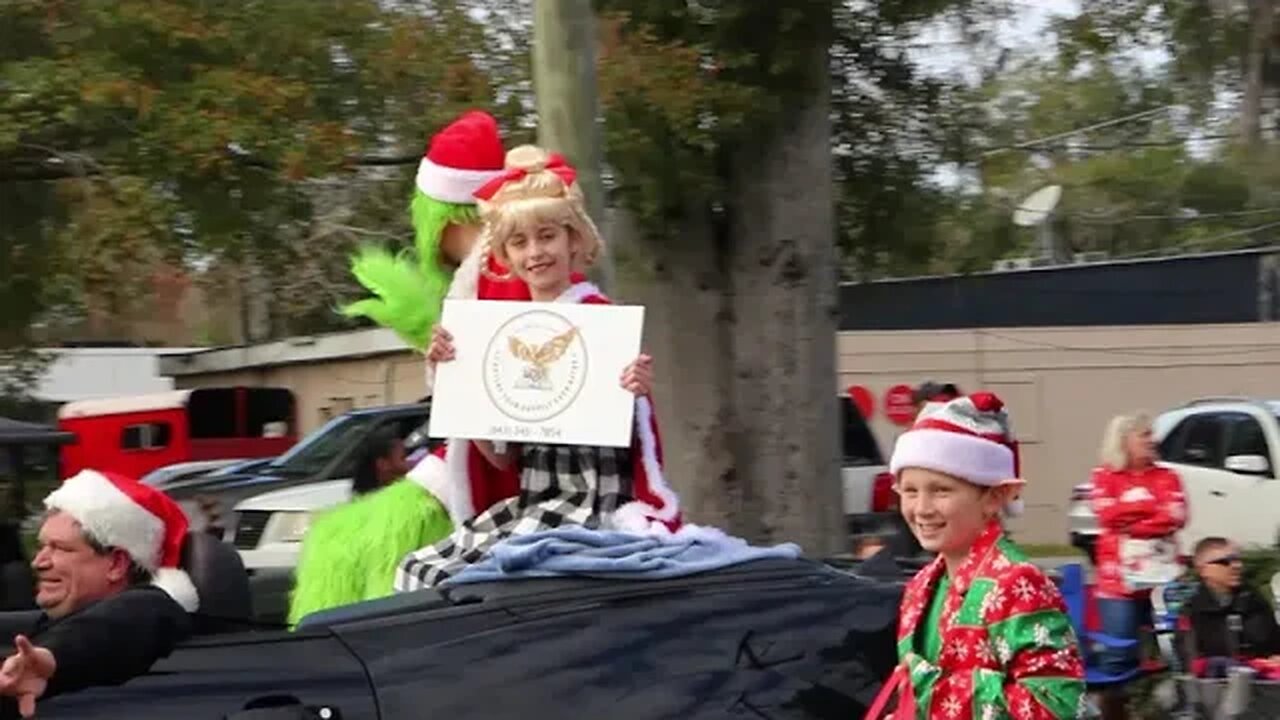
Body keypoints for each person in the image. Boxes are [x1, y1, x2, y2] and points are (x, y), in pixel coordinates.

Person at [395, 145, 681, 591]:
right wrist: (460, 386)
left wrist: (635, 394)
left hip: (595, 507)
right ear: (505, 257)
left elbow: (636, 446)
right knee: (419, 571)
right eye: (519, 242)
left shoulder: (602, 320)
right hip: (532, 503)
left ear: (573, 240)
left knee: (489, 581)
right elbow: (504, 456)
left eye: (547, 235)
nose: (535, 253)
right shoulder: (507, 334)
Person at [866, 393, 1085, 719]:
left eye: (941, 490)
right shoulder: (921, 586)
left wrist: (932, 688)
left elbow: (1057, 704)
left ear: (994, 497)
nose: (922, 508)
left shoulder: (1017, 583)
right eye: (910, 491)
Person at [0, 469, 197, 718]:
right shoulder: (53, 621)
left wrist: (50, 659)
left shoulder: (148, 610)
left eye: (59, 548)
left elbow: (133, 615)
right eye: (41, 547)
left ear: (116, 564)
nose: (38, 562)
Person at [286, 429, 452, 626]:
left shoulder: (331, 527)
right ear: (383, 465)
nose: (414, 462)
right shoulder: (409, 520)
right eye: (404, 457)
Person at [1089, 412, 1186, 709]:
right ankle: (1114, 712)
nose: (1152, 440)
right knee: (1119, 656)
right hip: (1118, 582)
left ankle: (1173, 709)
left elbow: (1176, 516)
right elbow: (1107, 515)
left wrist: (1132, 524)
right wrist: (1150, 510)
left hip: (1165, 576)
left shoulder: (1168, 476)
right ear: (1124, 442)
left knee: (1177, 652)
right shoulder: (1104, 477)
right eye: (1144, 435)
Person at [1182, 537, 1280, 679]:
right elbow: (1190, 662)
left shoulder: (1253, 600)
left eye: (1238, 560)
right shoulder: (1193, 611)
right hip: (1217, 688)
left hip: (1264, 682)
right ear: (1203, 570)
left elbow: (1273, 640)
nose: (1236, 566)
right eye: (1225, 562)